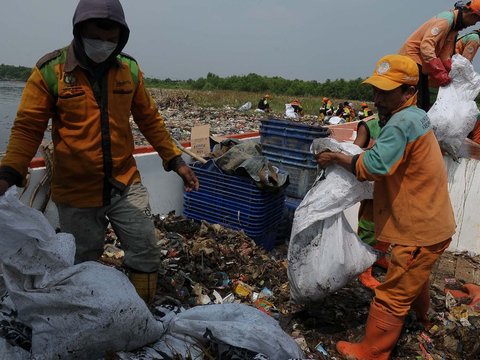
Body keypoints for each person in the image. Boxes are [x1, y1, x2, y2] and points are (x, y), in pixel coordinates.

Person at [0, 0, 199, 304]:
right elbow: (28, 128)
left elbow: (150, 119)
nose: (104, 45)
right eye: (97, 37)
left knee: (146, 250)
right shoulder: (50, 72)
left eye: (112, 39)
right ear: (79, 32)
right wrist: (9, 172)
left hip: (124, 183)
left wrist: (174, 160)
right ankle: (94, 316)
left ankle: (139, 311)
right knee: (85, 262)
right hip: (77, 191)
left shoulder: (129, 70)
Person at [316, 54, 455, 359]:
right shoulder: (416, 115)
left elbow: (376, 166)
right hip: (433, 223)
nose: (377, 97)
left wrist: (338, 157)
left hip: (419, 230)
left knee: (392, 294)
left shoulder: (401, 122)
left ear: (408, 91)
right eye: (375, 90)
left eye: (385, 91)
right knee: (412, 277)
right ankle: (424, 318)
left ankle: (371, 352)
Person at [398, 0, 480, 111]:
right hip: (411, 61)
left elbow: (444, 54)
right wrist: (440, 72)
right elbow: (426, 46)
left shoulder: (454, 27)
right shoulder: (446, 21)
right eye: (477, 19)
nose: (475, 24)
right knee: (416, 104)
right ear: (472, 14)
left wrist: (452, 73)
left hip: (421, 65)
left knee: (423, 104)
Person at [353, 117, 390, 290]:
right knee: (369, 226)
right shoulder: (369, 126)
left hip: (393, 185)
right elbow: (353, 151)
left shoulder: (402, 125)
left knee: (388, 227)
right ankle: (363, 269)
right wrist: (372, 151)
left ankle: (379, 256)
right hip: (374, 187)